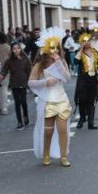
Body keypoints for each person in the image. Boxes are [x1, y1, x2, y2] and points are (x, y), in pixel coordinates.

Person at [28, 27, 72, 167]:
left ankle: (63, 156)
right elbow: (31, 83)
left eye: (57, 48)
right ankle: (46, 154)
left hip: (61, 99)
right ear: (47, 49)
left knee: (63, 130)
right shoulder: (40, 65)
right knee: (48, 131)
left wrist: (59, 62)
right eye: (52, 48)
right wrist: (45, 82)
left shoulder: (62, 62)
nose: (55, 51)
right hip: (47, 101)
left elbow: (67, 79)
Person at [74, 29, 98, 130]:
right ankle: (82, 118)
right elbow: (75, 62)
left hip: (93, 80)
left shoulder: (95, 52)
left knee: (92, 101)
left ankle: (91, 122)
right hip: (83, 80)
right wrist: (80, 49)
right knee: (82, 100)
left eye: (88, 40)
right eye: (84, 41)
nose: (86, 42)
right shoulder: (79, 53)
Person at [1, 42, 31, 129]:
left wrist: (31, 82)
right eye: (14, 49)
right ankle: (19, 121)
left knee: (23, 102)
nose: (16, 50)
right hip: (14, 83)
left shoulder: (26, 59)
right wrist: (1, 75)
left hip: (24, 83)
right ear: (12, 50)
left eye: (18, 48)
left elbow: (29, 71)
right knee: (17, 103)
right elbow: (4, 70)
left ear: (20, 49)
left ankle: (25, 115)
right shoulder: (9, 61)